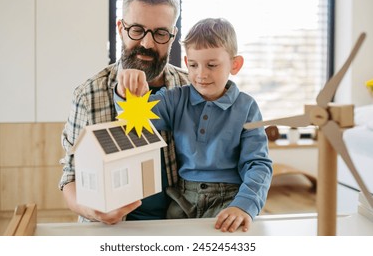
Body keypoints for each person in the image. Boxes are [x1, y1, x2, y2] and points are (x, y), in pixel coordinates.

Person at [115, 18, 273, 232]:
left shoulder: (247, 107)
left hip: (228, 200)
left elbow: (258, 164)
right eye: (193, 65)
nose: (201, 74)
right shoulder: (175, 99)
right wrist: (126, 89)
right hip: (181, 200)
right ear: (186, 62)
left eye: (212, 65)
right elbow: (133, 120)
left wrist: (244, 205)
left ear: (234, 65)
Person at [58, 0, 189, 224]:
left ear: (172, 36)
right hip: (109, 231)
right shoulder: (88, 94)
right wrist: (94, 211)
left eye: (160, 33)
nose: (147, 44)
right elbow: (71, 177)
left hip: (176, 226)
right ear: (120, 28)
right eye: (137, 30)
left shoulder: (190, 89)